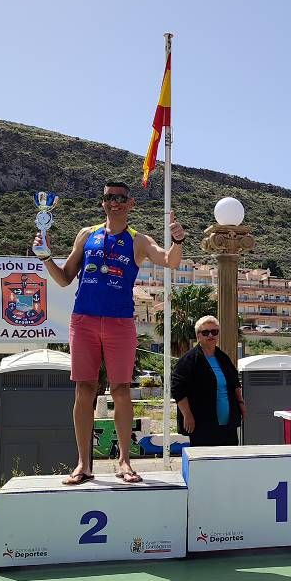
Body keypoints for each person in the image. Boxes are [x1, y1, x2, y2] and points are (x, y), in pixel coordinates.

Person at [37, 180, 185, 485]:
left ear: (130, 204)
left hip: (120, 324)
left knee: (120, 390)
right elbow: (65, 278)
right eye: (108, 197)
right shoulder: (86, 235)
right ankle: (83, 464)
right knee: (84, 390)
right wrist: (45, 258)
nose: (114, 202)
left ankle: (124, 462)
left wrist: (178, 240)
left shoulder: (138, 240)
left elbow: (169, 260)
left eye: (120, 198)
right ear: (103, 202)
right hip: (84, 321)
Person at [172, 315, 245, 447]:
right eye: (205, 332)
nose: (210, 335)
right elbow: (178, 389)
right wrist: (187, 415)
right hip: (202, 424)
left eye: (214, 332)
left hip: (227, 425)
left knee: (229, 463)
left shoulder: (223, 358)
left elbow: (235, 383)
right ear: (198, 336)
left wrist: (241, 404)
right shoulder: (189, 360)